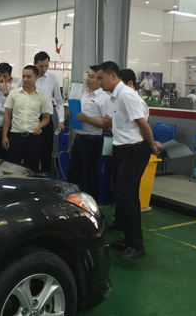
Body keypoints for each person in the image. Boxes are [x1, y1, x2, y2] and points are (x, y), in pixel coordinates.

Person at [96, 61, 159, 260]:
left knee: (124, 196)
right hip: (122, 150)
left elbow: (144, 126)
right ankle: (128, 237)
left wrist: (152, 147)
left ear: (113, 76)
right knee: (127, 196)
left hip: (134, 151)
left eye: (101, 78)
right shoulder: (115, 96)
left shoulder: (126, 95)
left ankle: (136, 245)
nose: (99, 82)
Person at [66, 66, 113, 201]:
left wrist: (87, 119)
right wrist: (70, 113)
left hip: (92, 141)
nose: (88, 79)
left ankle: (93, 204)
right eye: (88, 76)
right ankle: (72, 202)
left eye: (92, 77)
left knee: (90, 175)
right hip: (79, 139)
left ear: (99, 80)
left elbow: (106, 124)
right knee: (73, 173)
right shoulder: (83, 95)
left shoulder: (104, 98)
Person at [19, 51, 65, 173]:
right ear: (34, 64)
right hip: (30, 119)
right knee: (30, 153)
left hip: (46, 119)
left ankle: (45, 179)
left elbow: (59, 101)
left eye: (46, 66)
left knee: (46, 153)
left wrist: (61, 120)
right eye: (41, 66)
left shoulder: (53, 79)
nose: (44, 69)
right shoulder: (26, 79)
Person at [3, 65, 50, 170]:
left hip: (33, 139)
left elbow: (46, 117)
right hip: (15, 137)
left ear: (36, 78)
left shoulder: (42, 97)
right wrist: (4, 136)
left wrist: (39, 126)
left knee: (31, 170)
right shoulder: (14, 94)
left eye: (29, 77)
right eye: (23, 76)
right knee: (10, 169)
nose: (25, 79)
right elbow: (7, 114)